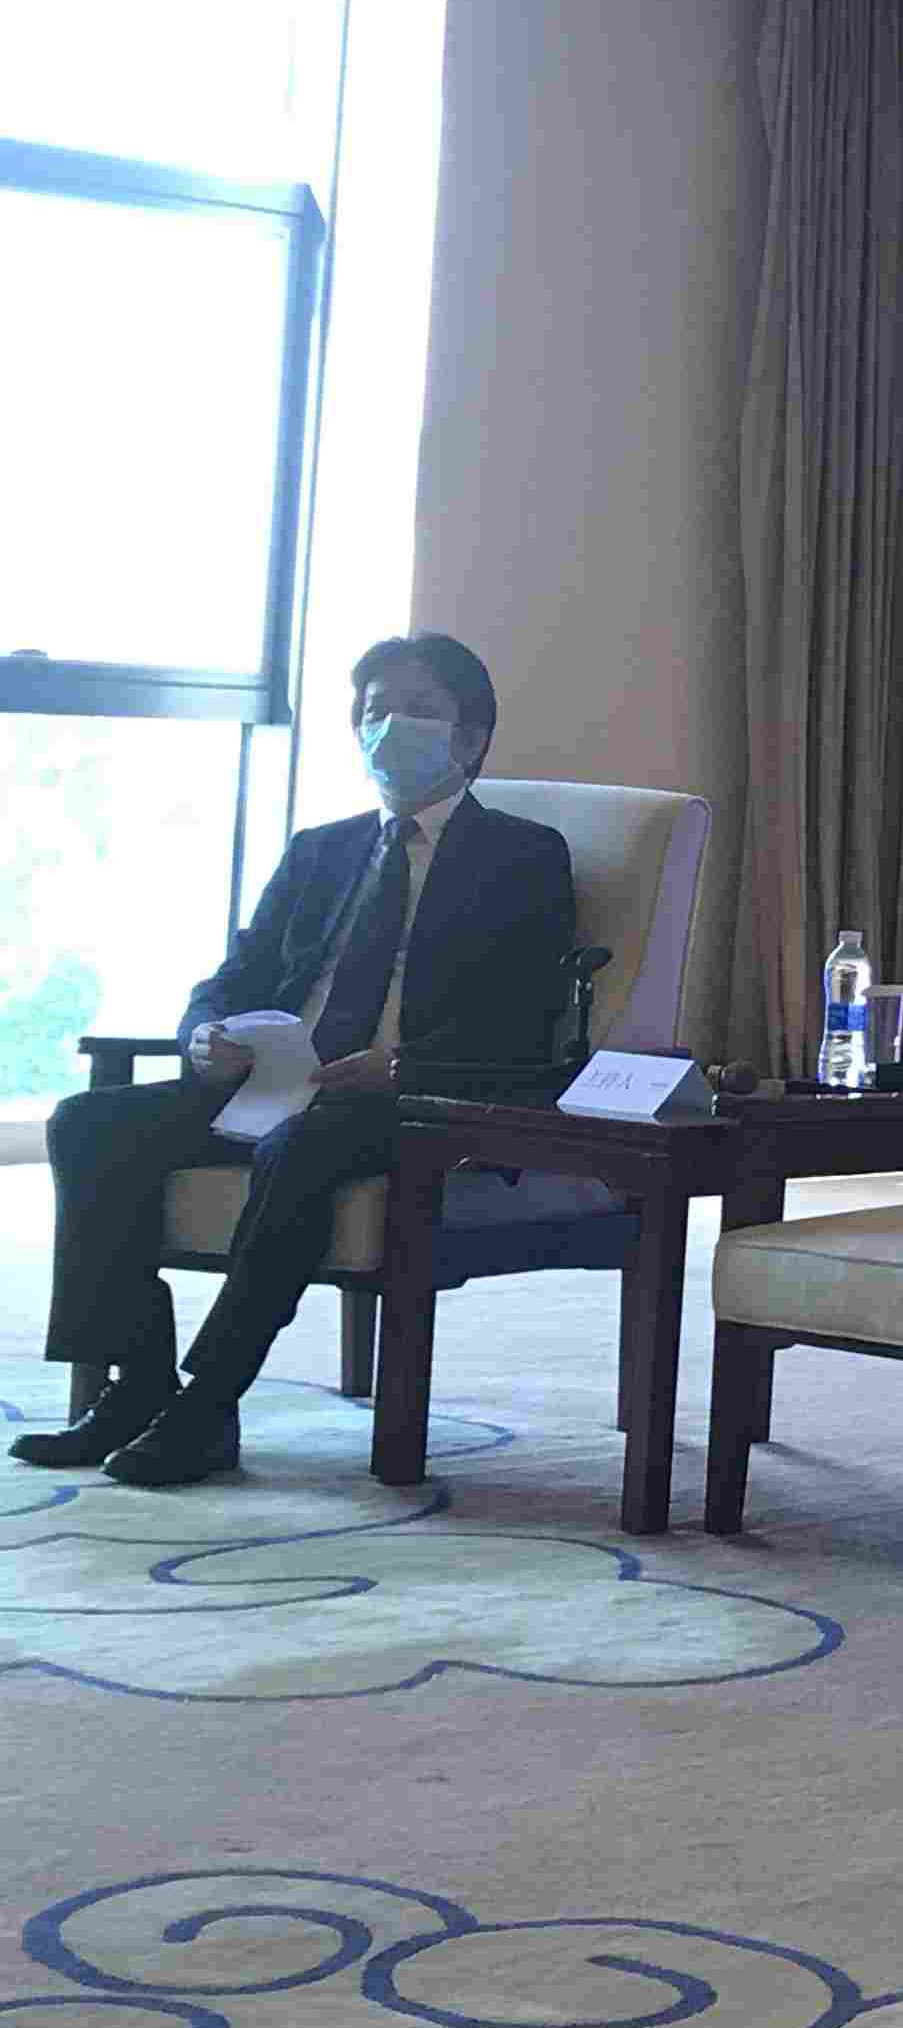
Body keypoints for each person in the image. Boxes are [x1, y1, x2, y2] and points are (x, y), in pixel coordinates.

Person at [12, 634, 575, 1489]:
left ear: (470, 737)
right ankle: (137, 1383)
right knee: (90, 1122)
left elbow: (525, 1019)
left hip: (404, 1099)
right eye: (374, 710)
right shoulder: (322, 849)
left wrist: (403, 1065)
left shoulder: (524, 856)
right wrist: (204, 1034)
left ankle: (208, 1403)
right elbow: (234, 975)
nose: (389, 726)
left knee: (300, 1146)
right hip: (271, 1081)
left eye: (418, 708)